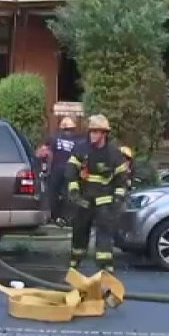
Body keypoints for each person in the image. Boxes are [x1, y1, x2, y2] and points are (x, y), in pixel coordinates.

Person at [66, 114, 128, 273]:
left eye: (96, 132)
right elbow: (71, 171)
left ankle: (105, 265)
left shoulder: (113, 153)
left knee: (104, 233)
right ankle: (75, 261)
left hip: (104, 201)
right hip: (84, 200)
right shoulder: (82, 149)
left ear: (104, 134)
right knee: (80, 230)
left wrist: (119, 198)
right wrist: (74, 192)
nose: (92, 135)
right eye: (91, 132)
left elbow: (122, 179)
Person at [46, 116, 82, 226]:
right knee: (68, 194)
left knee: (53, 193)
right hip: (70, 169)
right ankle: (67, 218)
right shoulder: (78, 140)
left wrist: (48, 168)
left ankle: (54, 217)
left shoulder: (54, 137)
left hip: (56, 169)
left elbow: (49, 154)